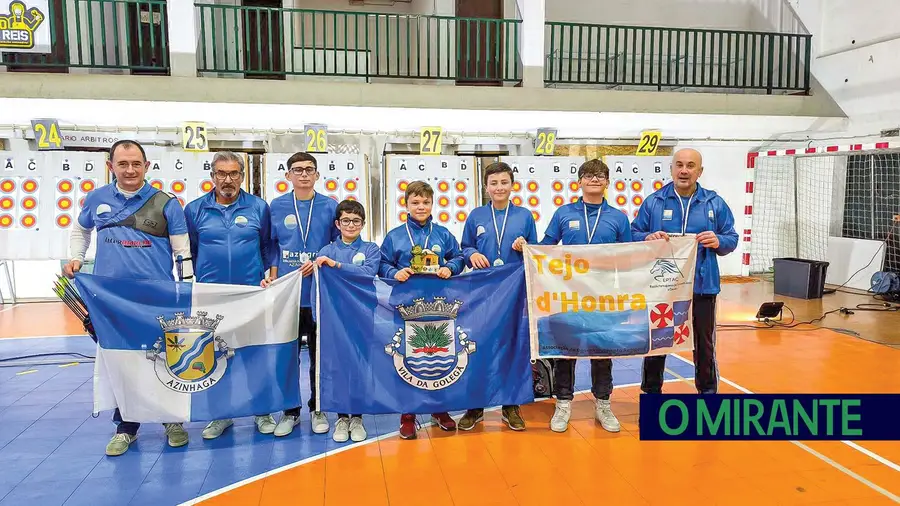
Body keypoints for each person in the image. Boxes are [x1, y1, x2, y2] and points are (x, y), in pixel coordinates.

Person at [63, 139, 194, 456]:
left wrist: (188, 290)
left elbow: (183, 251)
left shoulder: (167, 204)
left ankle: (171, 420)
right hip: (111, 301)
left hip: (157, 299)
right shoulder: (96, 199)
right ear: (111, 167)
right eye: (123, 164)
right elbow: (80, 230)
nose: (130, 169)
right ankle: (127, 426)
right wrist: (75, 258)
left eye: (136, 163)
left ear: (147, 166)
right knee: (121, 363)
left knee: (164, 359)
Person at [182, 151, 279, 439]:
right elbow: (191, 250)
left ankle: (261, 411)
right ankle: (220, 415)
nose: (228, 180)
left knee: (253, 354)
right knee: (214, 357)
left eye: (234, 173)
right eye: (221, 174)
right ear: (212, 177)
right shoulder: (195, 210)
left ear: (242, 177)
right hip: (210, 298)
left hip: (249, 295)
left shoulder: (258, 208)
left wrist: (269, 275)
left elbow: (267, 247)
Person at [631, 148, 738, 397]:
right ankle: (651, 393)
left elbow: (732, 238)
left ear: (699, 171)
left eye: (690, 166)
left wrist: (718, 240)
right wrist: (648, 237)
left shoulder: (714, 202)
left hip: (702, 286)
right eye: (679, 165)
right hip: (662, 287)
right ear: (671, 169)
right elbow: (633, 234)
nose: (684, 170)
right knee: (657, 343)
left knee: (704, 345)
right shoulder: (654, 201)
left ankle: (708, 394)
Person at [539, 159, 632, 434]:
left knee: (602, 350)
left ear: (607, 182)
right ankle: (563, 403)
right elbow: (546, 247)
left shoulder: (618, 217)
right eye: (589, 175)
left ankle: (603, 403)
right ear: (579, 181)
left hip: (603, 297)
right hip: (569, 294)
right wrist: (527, 248)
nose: (594, 179)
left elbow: (628, 257)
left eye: (600, 175)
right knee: (566, 351)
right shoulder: (564, 213)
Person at [378, 181, 465, 439]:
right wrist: (395, 272)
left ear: (432, 204)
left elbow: (458, 257)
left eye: (425, 202)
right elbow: (382, 265)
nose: (421, 207)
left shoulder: (443, 234)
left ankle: (440, 409)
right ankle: (408, 414)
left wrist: (451, 268)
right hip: (406, 304)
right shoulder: (395, 235)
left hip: (440, 303)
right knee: (408, 355)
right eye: (415, 202)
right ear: (405, 205)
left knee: (440, 354)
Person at [457, 162, 537, 431]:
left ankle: (510, 405)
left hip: (515, 291)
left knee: (514, 346)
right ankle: (475, 406)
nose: (499, 187)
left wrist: (525, 246)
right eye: (494, 183)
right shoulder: (476, 215)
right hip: (483, 292)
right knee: (478, 344)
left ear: (512, 185)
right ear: (486, 187)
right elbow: (464, 247)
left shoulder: (524, 216)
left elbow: (535, 250)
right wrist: (472, 254)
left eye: (504, 182)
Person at [268, 152, 339, 437]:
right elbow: (271, 244)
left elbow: (338, 245)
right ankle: (290, 411)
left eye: (310, 170)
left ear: (318, 175)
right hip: (288, 294)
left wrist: (321, 258)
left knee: (319, 357)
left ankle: (317, 407)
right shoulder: (276, 206)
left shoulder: (330, 206)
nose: (304, 175)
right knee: (288, 356)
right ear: (288, 176)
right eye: (298, 170)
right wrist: (272, 272)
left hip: (320, 295)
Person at [315, 199, 381, 443]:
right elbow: (319, 288)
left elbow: (368, 273)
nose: (351, 225)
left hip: (363, 317)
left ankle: (358, 417)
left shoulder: (372, 249)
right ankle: (342, 417)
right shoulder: (326, 252)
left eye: (356, 221)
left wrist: (338, 266)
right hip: (334, 320)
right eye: (346, 221)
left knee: (360, 366)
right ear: (337, 223)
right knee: (339, 368)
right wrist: (317, 316)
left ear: (363, 224)